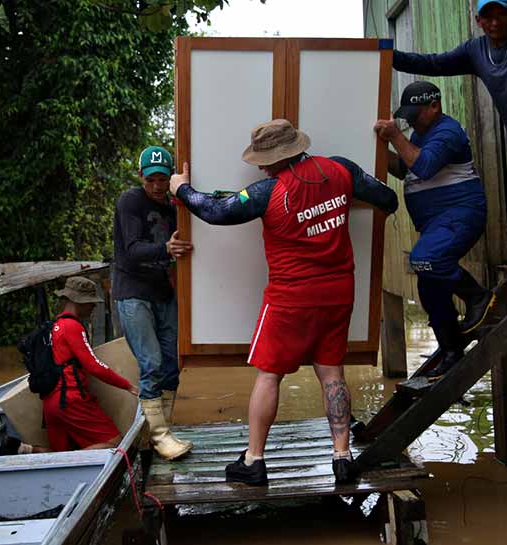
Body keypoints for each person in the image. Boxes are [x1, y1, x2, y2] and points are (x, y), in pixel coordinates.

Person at [169, 119, 399, 486]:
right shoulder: (341, 169)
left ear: (276, 158)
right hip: (339, 293)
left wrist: (182, 190)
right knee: (332, 373)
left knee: (269, 375)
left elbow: (218, 211)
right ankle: (342, 457)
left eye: (263, 159)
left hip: (290, 298)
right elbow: (388, 200)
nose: (259, 166)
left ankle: (254, 461)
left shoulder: (266, 193)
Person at [391, 0, 507, 266]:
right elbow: (432, 63)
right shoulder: (475, 51)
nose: (495, 22)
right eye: (487, 17)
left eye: (501, 14)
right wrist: (388, 55)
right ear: (478, 21)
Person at [374, 81, 495, 378]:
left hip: (459, 215)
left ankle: (479, 298)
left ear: (434, 107)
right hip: (436, 223)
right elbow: (406, 169)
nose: (412, 119)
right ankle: (451, 348)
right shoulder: (419, 135)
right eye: (408, 115)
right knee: (429, 287)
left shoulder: (447, 132)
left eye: (416, 113)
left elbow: (424, 166)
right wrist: (376, 151)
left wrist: (396, 136)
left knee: (425, 260)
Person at [112, 145, 194, 460]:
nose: (158, 186)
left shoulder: (175, 208)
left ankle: (162, 431)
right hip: (133, 291)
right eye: (152, 180)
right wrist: (165, 250)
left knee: (172, 365)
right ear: (141, 177)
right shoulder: (130, 201)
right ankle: (159, 437)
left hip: (163, 292)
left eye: (163, 179)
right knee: (151, 364)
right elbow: (131, 249)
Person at [37, 276, 139, 453]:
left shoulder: (53, 327)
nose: (93, 307)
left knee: (58, 456)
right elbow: (94, 366)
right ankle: (78, 459)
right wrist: (128, 386)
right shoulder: (72, 327)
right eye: (91, 302)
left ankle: (24, 449)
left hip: (50, 403)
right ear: (79, 301)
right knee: (116, 444)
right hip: (71, 401)